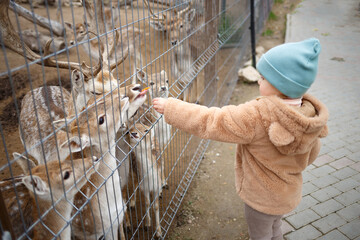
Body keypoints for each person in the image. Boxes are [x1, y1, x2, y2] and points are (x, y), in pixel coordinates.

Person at [152, 38, 328, 240]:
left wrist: (172, 108)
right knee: (275, 227)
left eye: (263, 77)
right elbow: (312, 154)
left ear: (280, 85)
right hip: (286, 195)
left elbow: (213, 120)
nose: (259, 80)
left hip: (260, 199)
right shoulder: (309, 116)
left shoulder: (257, 115)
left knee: (259, 235)